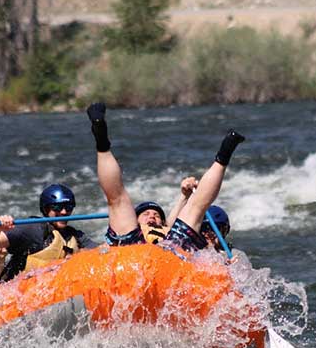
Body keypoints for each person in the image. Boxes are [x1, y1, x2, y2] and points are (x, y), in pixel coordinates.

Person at [86, 101, 245, 252]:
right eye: (146, 214)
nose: (151, 217)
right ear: (135, 220)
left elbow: (174, 221)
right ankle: (223, 155)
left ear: (163, 222)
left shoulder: (168, 231)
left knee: (195, 207)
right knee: (118, 201)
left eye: (156, 215)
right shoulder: (134, 228)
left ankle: (102, 146)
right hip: (139, 250)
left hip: (166, 253)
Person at [0, 184, 97, 281]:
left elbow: (100, 252)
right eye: (57, 207)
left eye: (68, 207)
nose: (63, 212)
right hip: (21, 295)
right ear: (46, 209)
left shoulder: (75, 236)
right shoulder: (31, 229)